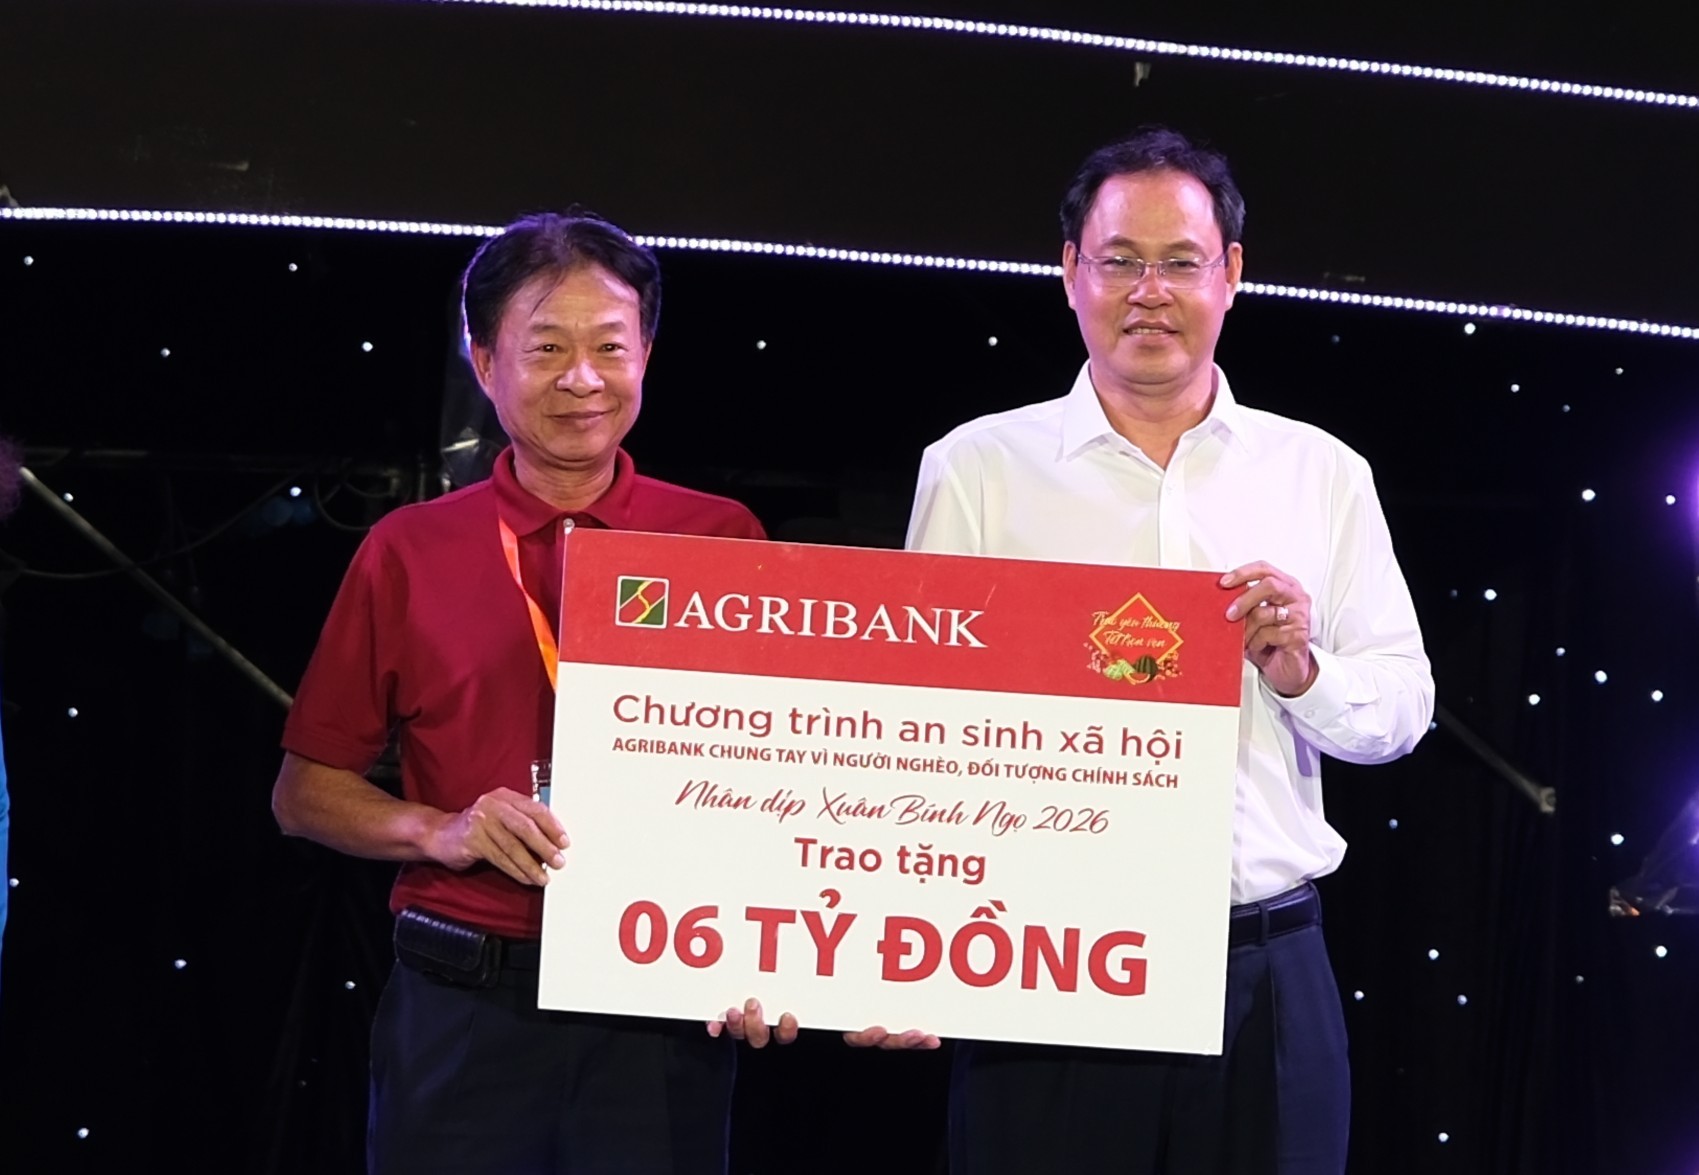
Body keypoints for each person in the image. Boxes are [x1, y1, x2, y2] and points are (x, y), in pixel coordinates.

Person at [906, 128, 1434, 1174]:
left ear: (1230, 273)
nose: (1149, 292)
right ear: (1070, 271)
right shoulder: (977, 468)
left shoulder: (1320, 472)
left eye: (1180, 262)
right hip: (1044, 966)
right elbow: (921, 724)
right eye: (1120, 260)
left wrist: (1305, 673)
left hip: (1263, 967)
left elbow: (1401, 709)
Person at [272, 212, 796, 1175]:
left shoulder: (721, 539)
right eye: (546, 347)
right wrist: (441, 828)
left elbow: (788, 771)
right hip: (466, 994)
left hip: (660, 995)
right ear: (483, 362)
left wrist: (773, 954)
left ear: (646, 355)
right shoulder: (408, 549)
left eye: (610, 346)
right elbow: (304, 793)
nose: (582, 378)